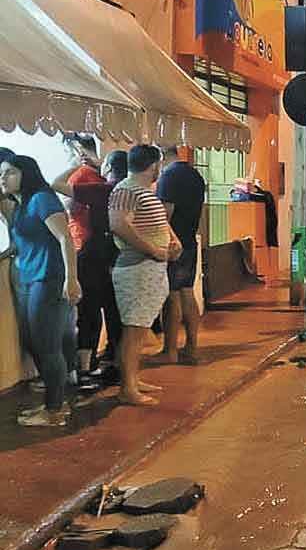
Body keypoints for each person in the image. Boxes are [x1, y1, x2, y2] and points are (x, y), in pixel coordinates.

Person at [1, 155, 81, 426]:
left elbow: (64, 238)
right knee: (34, 342)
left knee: (47, 346)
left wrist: (71, 279)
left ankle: (55, 410)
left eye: (10, 172)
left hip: (49, 279)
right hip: (29, 278)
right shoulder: (21, 205)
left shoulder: (42, 199)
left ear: (27, 173)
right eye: (2, 173)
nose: (3, 178)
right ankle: (55, 402)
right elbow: (25, 242)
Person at [109, 145, 180, 406]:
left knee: (139, 329)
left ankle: (132, 379)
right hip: (137, 267)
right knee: (134, 330)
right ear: (154, 165)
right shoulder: (126, 190)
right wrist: (154, 250)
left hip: (151, 267)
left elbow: (159, 222)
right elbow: (118, 224)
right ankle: (127, 388)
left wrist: (172, 242)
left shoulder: (142, 191)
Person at [51, 139, 122, 380]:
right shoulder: (126, 188)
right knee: (113, 311)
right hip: (115, 257)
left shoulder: (92, 182)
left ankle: (84, 367)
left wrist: (77, 165)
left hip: (89, 251)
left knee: (89, 311)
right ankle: (115, 362)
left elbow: (69, 206)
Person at [157, 146, 207, 365]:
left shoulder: (168, 177)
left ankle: (170, 350)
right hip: (189, 240)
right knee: (187, 292)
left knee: (172, 295)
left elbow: (165, 214)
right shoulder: (195, 175)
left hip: (173, 243)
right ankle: (192, 346)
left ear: (161, 155)